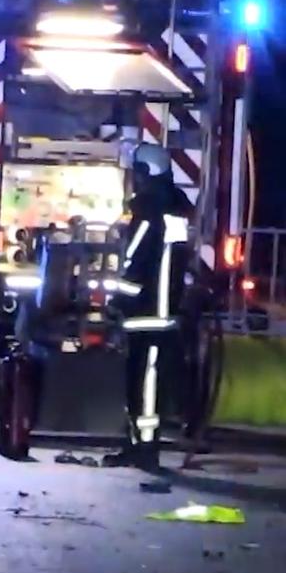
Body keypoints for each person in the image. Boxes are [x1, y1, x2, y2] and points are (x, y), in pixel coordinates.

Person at [107, 143, 193, 469]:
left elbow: (136, 263)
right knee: (148, 383)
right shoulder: (174, 211)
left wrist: (117, 300)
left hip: (146, 314)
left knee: (144, 384)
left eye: (137, 173)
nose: (134, 180)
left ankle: (144, 450)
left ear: (147, 174)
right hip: (164, 313)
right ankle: (139, 445)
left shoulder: (149, 212)